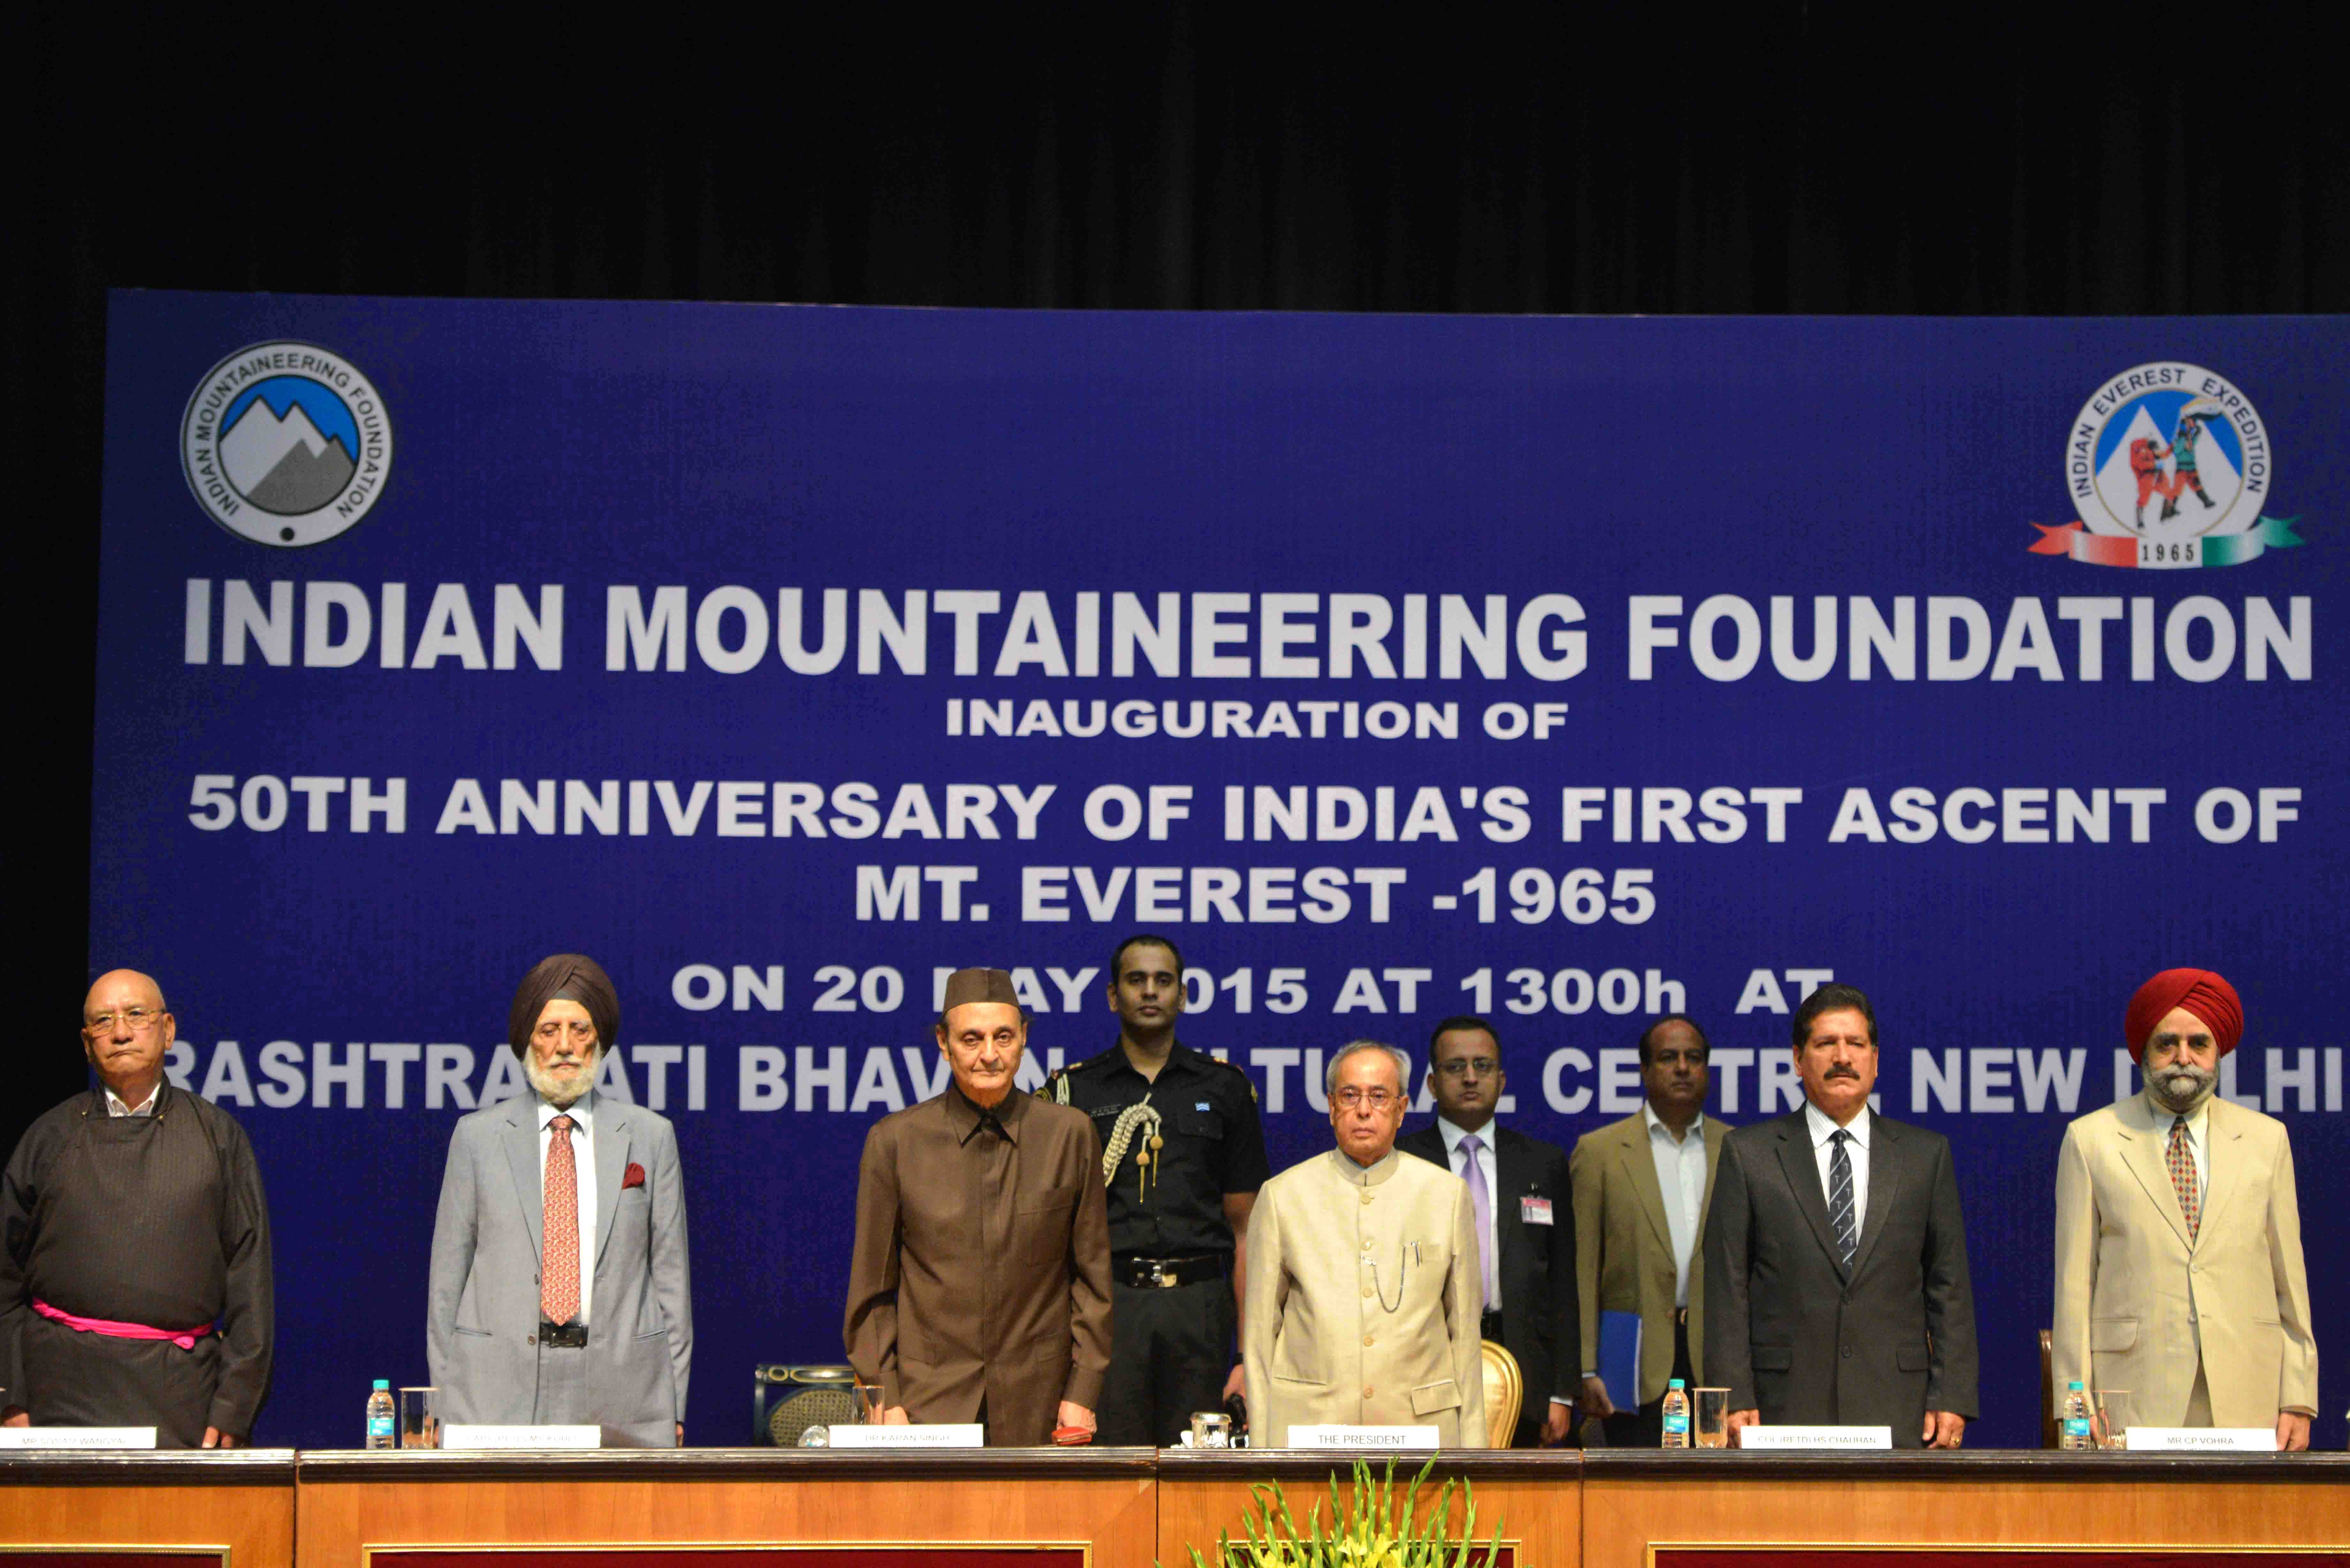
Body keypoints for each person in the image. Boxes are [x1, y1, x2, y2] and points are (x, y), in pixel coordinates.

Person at [427, 954, 692, 1446]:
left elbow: (672, 1282)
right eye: (550, 1030)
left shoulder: (650, 1138)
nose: (565, 1046)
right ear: (528, 1039)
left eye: (580, 1029)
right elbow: (447, 1283)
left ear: (601, 1041)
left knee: (617, 1524)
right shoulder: (478, 1138)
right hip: (495, 1386)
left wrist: (672, 1400)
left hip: (624, 1387)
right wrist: (446, 1400)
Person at [0, 970, 273, 1448]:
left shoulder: (218, 1137)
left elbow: (250, 1281)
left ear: (168, 1029)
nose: (121, 1032)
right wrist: (9, 1399)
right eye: (103, 1022)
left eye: (136, 1015)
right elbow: (4, 1279)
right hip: (57, 1396)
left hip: (181, 1397)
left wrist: (235, 1405)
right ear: (87, 1045)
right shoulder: (48, 1138)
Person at [845, 967, 1112, 1446]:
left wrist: (1084, 1390)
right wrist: (887, 1400)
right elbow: (872, 1292)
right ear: (944, 1044)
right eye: (972, 1039)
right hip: (927, 1404)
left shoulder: (1069, 1136)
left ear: (1024, 1039)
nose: (989, 1055)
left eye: (1003, 1036)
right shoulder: (895, 1142)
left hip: (1043, 1403)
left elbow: (1092, 1281)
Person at [1703, 984, 1977, 1449]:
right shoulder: (1749, 1154)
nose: (1842, 1057)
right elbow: (1727, 1285)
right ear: (1798, 1058)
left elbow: (1948, 1285)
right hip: (1780, 1404)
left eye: (1856, 1044)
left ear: (1875, 1058)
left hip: (1898, 1401)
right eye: (1826, 1044)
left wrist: (1951, 1393)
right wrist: (1733, 1392)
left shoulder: (1925, 1156)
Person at [2052, 968, 2315, 1449]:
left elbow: (2289, 1282)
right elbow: (2073, 1286)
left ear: (2219, 1054)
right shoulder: (2091, 1140)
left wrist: (2297, 1398)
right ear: (2144, 1053)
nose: (2183, 1058)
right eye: (2167, 1044)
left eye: (2199, 1044)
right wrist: (2076, 1408)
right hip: (2131, 1395)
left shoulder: (2266, 1140)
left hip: (2246, 1391)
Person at [1046, 935, 1268, 1447]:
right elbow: (1054, 1238)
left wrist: (1246, 1357)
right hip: (1110, 1311)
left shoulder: (1225, 1089)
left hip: (1201, 1312)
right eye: (1136, 980)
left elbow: (1246, 1233)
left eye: (1163, 981)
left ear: (1183, 995)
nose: (1150, 992)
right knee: (1111, 1472)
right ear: (1111, 995)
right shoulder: (1074, 1092)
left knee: (1202, 1480)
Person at [1244, 1040, 1486, 1447]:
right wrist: (1263, 1451)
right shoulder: (1283, 1196)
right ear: (1332, 1106)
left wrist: (1475, 1453)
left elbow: (1464, 1335)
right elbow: (1259, 1339)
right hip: (1310, 1422)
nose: (1363, 1110)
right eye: (1350, 1095)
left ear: (1401, 1109)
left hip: (1417, 1424)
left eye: (1379, 1097)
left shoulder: (1446, 1195)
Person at [1397, 1015, 1577, 1446]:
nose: (1471, 1077)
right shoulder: (1401, 1161)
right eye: (1456, 1067)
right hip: (1423, 1364)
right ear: (1432, 1083)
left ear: (1502, 1079)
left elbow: (1563, 1282)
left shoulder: (1542, 1162)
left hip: (1525, 1369)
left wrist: (1562, 1390)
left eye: (1484, 1066)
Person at [1571, 1014, 1731, 1446]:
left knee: (1717, 1493)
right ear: (1644, 1070)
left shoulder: (1736, 1149)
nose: (1682, 1068)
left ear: (1707, 1071)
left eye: (1694, 1058)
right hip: (1633, 1365)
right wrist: (1586, 1368)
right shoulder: (1601, 1152)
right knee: (1636, 1494)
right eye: (1668, 1058)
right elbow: (1584, 1271)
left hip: (1715, 1362)